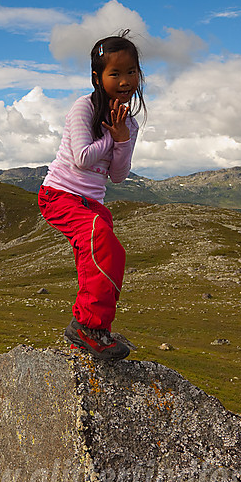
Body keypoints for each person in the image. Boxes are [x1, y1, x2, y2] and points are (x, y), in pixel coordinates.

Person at [38, 31, 146, 361]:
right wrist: (113, 138)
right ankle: (88, 326)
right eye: (115, 73)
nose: (125, 80)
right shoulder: (83, 108)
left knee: (111, 255)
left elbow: (118, 175)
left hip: (92, 203)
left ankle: (86, 340)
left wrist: (123, 138)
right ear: (97, 77)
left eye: (131, 71)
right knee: (100, 241)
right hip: (60, 194)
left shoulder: (128, 123)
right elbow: (82, 157)